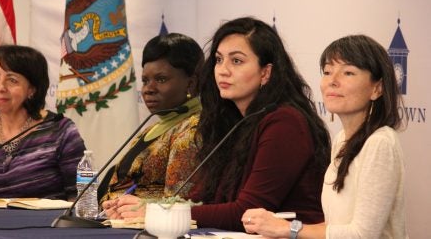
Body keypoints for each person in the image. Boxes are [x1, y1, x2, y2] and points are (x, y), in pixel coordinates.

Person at [105, 17, 331, 231]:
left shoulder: (285, 123)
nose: (223, 70)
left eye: (237, 61)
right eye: (219, 59)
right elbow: (210, 200)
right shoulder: (235, 123)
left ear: (265, 72)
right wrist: (143, 207)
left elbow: (246, 213)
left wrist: (156, 212)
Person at [242, 35, 408, 238]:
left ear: (377, 88)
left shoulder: (380, 143)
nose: (332, 81)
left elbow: (363, 235)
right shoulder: (341, 140)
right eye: (328, 72)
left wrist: (288, 229)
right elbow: (334, 226)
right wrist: (277, 225)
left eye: (348, 72)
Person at [0, 45, 86, 200]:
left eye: (12, 80)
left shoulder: (60, 131)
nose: (0, 87)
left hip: (45, 224)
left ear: (32, 89)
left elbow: (81, 197)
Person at [99, 33, 204, 213]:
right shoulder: (155, 126)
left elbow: (177, 203)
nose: (149, 89)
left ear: (191, 83)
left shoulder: (193, 128)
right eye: (145, 80)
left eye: (161, 79)